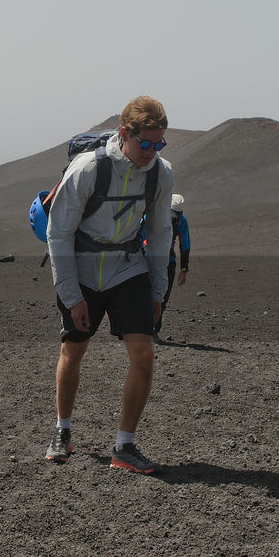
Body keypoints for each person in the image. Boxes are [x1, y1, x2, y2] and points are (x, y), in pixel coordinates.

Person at [44, 96, 174, 474]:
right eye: (144, 143)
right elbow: (59, 233)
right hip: (81, 270)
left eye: (158, 144)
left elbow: (161, 231)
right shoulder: (88, 169)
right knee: (74, 351)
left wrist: (157, 291)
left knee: (144, 354)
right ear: (124, 134)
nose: (151, 152)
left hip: (128, 268)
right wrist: (71, 295)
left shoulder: (160, 173)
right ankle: (63, 430)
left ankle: (125, 446)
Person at [153, 193, 191, 339]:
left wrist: (183, 269)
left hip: (168, 261)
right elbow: (139, 236)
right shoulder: (152, 216)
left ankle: (153, 331)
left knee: (162, 297)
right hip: (147, 260)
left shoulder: (181, 221)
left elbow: (185, 244)